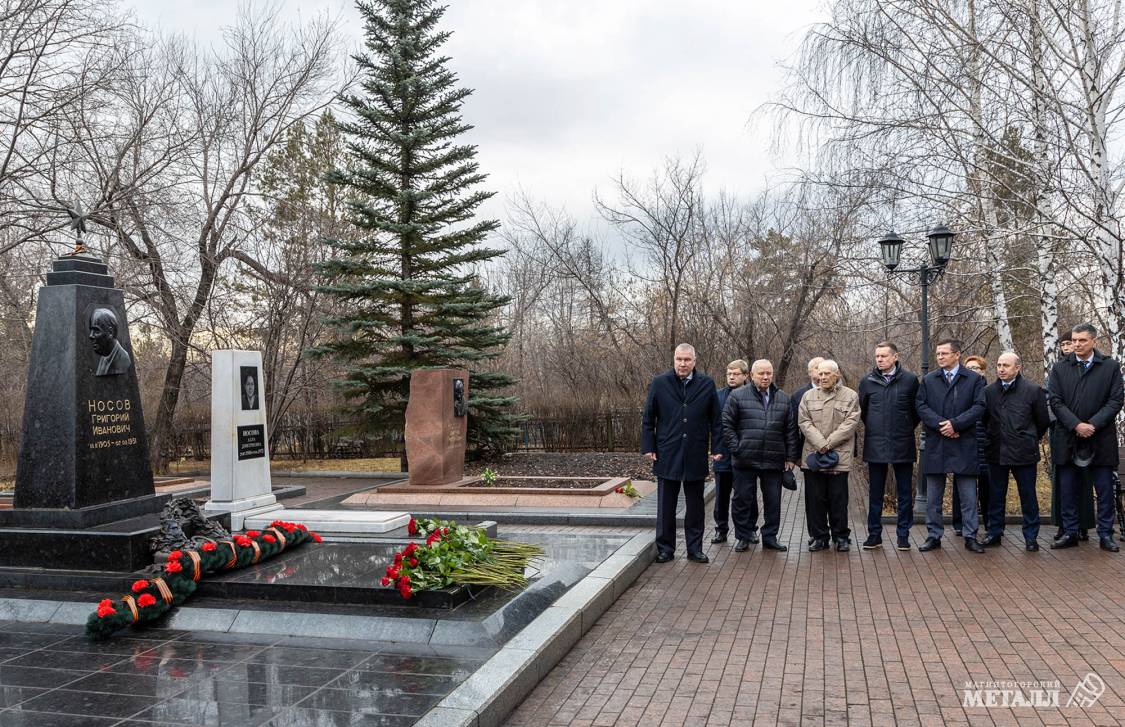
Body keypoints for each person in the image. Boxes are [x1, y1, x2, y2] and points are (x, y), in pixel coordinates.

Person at [642, 343, 723, 563]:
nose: (683, 364)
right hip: (667, 452)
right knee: (665, 506)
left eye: (687, 360)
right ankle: (665, 548)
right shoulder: (660, 383)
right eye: (679, 359)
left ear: (694, 361)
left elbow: (716, 420)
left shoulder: (706, 384)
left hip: (695, 452)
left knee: (695, 506)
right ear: (674, 360)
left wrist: (717, 447)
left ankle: (694, 548)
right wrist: (649, 446)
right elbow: (649, 417)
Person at [1047, 323, 1124, 552]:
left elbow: (1116, 400)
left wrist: (1092, 424)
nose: (1077, 344)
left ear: (1093, 341)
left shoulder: (1109, 367)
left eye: (1082, 340)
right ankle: (1070, 532)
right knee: (1068, 490)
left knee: (1104, 490)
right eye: (1074, 340)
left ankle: (1105, 534)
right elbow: (1055, 401)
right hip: (1068, 438)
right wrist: (1076, 425)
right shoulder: (1060, 368)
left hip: (1100, 438)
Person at [915, 339, 987, 553]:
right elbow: (920, 405)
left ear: (957, 355)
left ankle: (970, 536)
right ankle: (933, 535)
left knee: (968, 496)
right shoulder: (929, 379)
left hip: (963, 441)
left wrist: (956, 425)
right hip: (937, 442)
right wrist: (942, 425)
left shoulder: (973, 379)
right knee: (933, 497)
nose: (940, 357)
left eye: (944, 353)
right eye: (938, 353)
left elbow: (979, 406)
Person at [722, 359, 798, 552]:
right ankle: (743, 536)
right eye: (761, 373)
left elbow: (790, 430)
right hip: (744, 459)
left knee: (773, 501)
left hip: (773, 459)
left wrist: (791, 457)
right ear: (751, 375)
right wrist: (737, 448)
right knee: (742, 500)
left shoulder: (783, 398)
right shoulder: (737, 396)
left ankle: (770, 537)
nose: (765, 377)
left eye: (768, 373)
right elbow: (727, 425)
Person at [981, 352, 1050, 551]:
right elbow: (984, 420)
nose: (1001, 369)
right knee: (995, 496)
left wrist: (1028, 437)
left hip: (1024, 452)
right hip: (996, 451)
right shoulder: (988, 391)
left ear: (1017, 368)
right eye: (999, 365)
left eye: (1006, 365)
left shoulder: (1033, 390)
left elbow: (1042, 420)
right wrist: (992, 438)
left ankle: (1031, 536)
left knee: (1028, 496)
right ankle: (994, 532)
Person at [857, 341, 919, 551]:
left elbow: (916, 412)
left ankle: (903, 536)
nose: (880, 359)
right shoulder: (867, 381)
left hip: (903, 443)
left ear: (895, 357)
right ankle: (874, 535)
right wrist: (877, 428)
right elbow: (864, 412)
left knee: (905, 494)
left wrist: (903, 427)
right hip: (876, 444)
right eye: (877, 356)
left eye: (884, 356)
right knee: (875, 494)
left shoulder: (910, 380)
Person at [798, 360, 861, 551]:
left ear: (837, 374)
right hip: (814, 456)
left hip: (838, 456)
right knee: (815, 500)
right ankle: (820, 537)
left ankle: (841, 536)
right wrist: (820, 444)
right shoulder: (808, 396)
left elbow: (851, 423)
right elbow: (804, 422)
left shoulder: (850, 396)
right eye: (820, 374)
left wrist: (829, 443)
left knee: (838, 500)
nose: (823, 377)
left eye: (827, 374)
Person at [1048, 331, 1094, 540]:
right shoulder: (1058, 369)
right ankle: (1065, 525)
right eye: (1064, 344)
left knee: (1083, 481)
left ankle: (1083, 524)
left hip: (1087, 432)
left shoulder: (1088, 367)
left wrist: (1084, 424)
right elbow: (1052, 401)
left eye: (1071, 342)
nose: (1068, 347)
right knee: (1063, 484)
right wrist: (1069, 423)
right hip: (1062, 431)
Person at [711, 359, 749, 544]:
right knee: (721, 495)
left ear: (745, 376)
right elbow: (712, 424)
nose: (731, 377)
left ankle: (748, 530)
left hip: (745, 454)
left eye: (736, 374)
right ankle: (721, 529)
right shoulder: (718, 396)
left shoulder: (752, 395)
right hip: (722, 453)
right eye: (729, 374)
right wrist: (714, 448)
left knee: (745, 495)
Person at [952, 356, 991, 533]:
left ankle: (990, 524)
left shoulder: (990, 392)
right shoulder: (958, 390)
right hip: (963, 442)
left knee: (987, 486)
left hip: (985, 445)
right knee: (961, 485)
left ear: (983, 371)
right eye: (968, 368)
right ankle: (959, 524)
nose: (971, 371)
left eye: (975, 368)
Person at [790, 356, 824, 543]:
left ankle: (836, 532)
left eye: (823, 367)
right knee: (813, 496)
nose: (820, 372)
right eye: (816, 368)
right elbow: (792, 428)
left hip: (834, 455)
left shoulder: (839, 392)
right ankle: (815, 533)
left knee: (835, 496)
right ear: (810, 372)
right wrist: (794, 455)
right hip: (808, 453)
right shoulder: (798, 395)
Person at [89, 308, 132, 376]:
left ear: (110, 332)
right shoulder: (104, 356)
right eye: (91, 330)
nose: (91, 336)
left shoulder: (123, 359)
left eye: (96, 331)